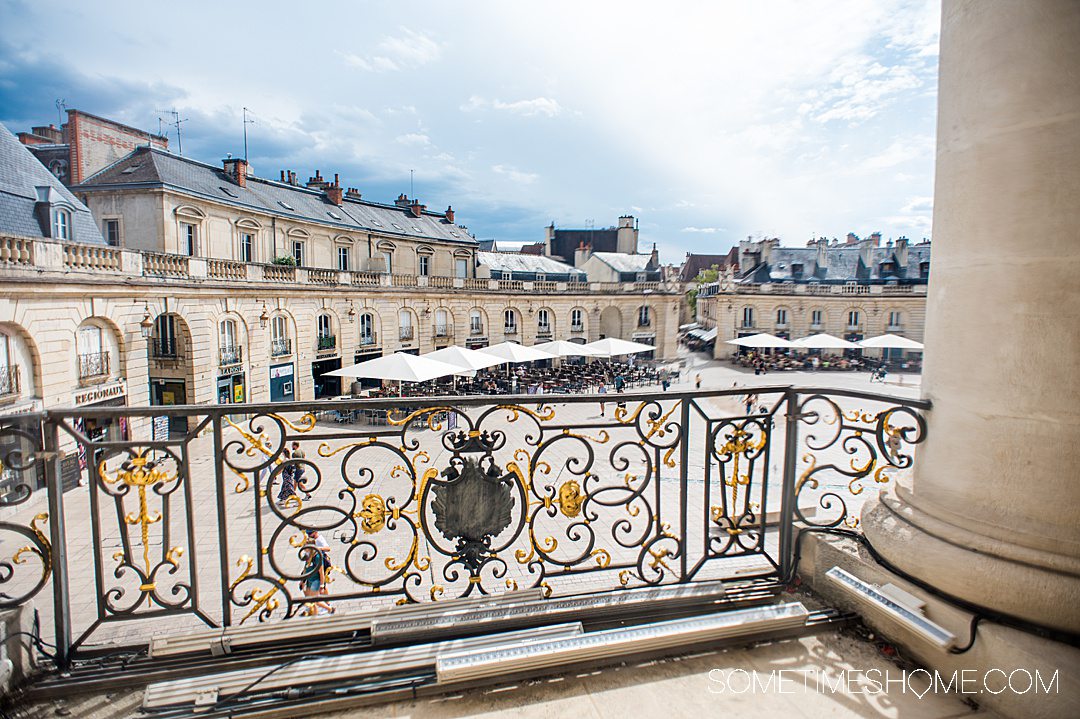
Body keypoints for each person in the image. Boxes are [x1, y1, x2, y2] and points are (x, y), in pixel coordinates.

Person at [299, 530, 334, 615]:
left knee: (314, 600)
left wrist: (322, 585)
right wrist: (302, 580)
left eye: (305, 547)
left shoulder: (317, 556)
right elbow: (306, 567)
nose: (304, 549)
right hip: (309, 579)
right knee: (308, 598)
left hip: (316, 580)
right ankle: (313, 612)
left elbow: (321, 572)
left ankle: (329, 608)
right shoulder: (308, 555)